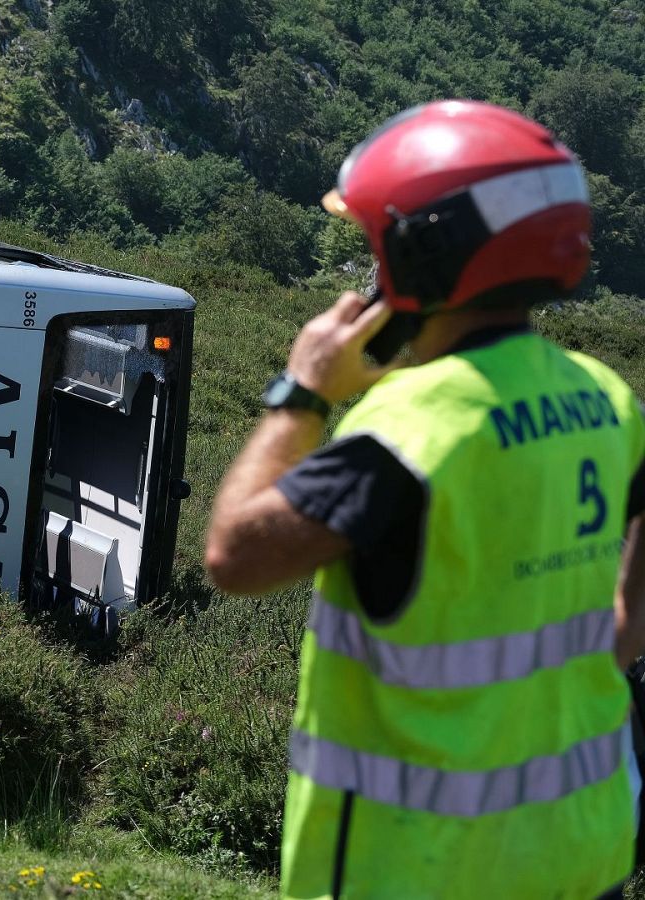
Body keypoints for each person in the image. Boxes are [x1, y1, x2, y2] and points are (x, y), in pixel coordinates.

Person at [204, 100, 645, 899]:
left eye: (378, 244)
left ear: (425, 255)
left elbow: (233, 555)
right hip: (580, 853)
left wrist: (302, 393)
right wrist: (623, 630)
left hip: (419, 872)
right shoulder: (606, 397)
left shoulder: (411, 431)